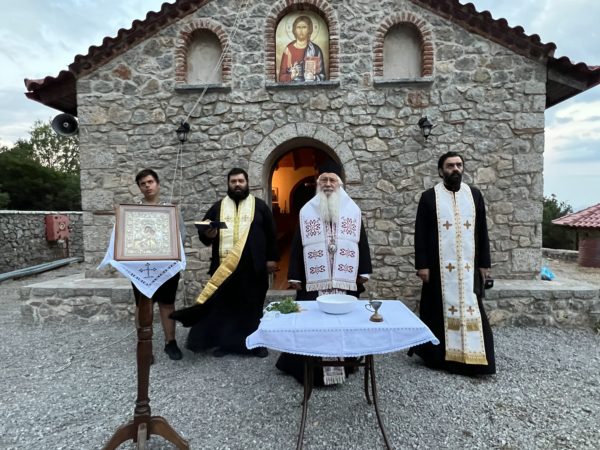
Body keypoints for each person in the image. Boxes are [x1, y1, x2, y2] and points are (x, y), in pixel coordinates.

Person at [276, 162, 372, 385]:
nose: (328, 184)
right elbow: (297, 244)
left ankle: (345, 365)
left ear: (340, 184)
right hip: (314, 281)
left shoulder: (353, 210)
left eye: (332, 180)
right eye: (324, 180)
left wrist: (364, 270)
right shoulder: (306, 211)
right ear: (318, 183)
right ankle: (309, 370)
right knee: (312, 323)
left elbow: (361, 242)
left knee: (343, 323)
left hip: (343, 281)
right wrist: (294, 275)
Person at [170, 168, 278, 358]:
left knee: (253, 307)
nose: (237, 185)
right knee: (226, 308)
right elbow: (204, 234)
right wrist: (208, 234)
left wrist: (271, 259)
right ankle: (227, 344)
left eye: (240, 181)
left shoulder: (260, 206)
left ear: (247, 183)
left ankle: (255, 344)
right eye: (233, 181)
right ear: (228, 184)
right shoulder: (218, 207)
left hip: (253, 268)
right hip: (224, 268)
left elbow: (271, 233)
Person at [409, 152, 496, 375]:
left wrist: (484, 263)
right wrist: (422, 265)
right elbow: (420, 233)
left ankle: (474, 358)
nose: (455, 169)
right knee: (436, 310)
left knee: (472, 307)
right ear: (441, 171)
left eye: (459, 165)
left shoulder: (474, 195)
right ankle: (439, 358)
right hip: (438, 268)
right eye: (450, 166)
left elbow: (482, 231)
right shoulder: (429, 197)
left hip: (468, 267)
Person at [133, 168, 185, 361]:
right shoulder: (132, 212)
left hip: (166, 266)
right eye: (143, 184)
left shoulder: (170, 210)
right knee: (142, 305)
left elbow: (181, 234)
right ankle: (144, 345)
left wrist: (172, 255)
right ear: (139, 188)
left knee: (167, 303)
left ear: (157, 184)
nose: (147, 186)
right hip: (141, 267)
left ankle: (170, 342)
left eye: (150, 182)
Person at [278, 15, 326, 82]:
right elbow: (281, 78)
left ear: (309, 30)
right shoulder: (288, 50)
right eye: (298, 27)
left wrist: (314, 77)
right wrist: (291, 76)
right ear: (294, 30)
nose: (301, 30)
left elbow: (322, 77)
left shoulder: (316, 50)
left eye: (304, 27)